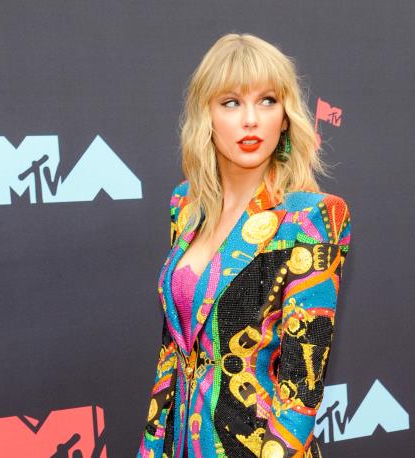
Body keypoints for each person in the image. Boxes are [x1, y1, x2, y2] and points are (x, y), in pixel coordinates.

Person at [137, 32, 352, 458]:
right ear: (207, 115)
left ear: (286, 117)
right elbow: (172, 356)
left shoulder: (311, 219)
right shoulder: (185, 207)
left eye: (267, 100)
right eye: (231, 102)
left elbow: (301, 391)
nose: (251, 119)